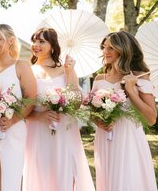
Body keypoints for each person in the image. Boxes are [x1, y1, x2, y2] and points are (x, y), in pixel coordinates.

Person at [23, 27, 94, 191]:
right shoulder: (28, 71)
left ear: (53, 46)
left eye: (41, 41)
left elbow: (76, 103)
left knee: (65, 172)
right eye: (34, 41)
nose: (35, 45)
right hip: (37, 131)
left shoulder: (66, 70)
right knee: (39, 172)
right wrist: (39, 117)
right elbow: (23, 107)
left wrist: (69, 73)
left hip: (64, 130)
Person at [92, 31, 157, 191]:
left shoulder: (140, 77)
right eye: (104, 47)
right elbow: (92, 112)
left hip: (129, 139)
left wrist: (131, 90)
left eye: (111, 48)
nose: (105, 52)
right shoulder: (99, 79)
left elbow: (151, 119)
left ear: (124, 50)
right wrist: (99, 122)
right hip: (104, 139)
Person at [0, 24, 37, 191]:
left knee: (9, 174)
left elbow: (31, 99)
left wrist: (13, 120)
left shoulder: (21, 66)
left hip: (11, 127)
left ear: (10, 41)